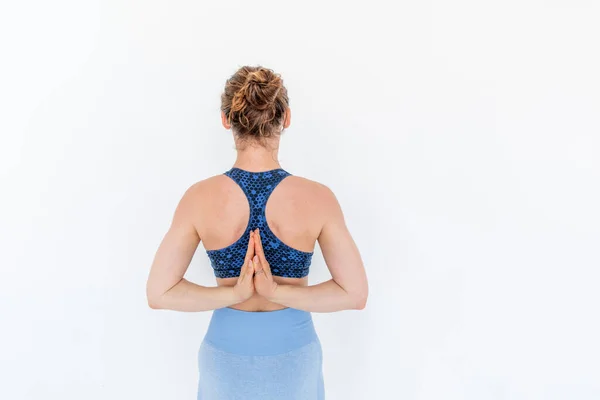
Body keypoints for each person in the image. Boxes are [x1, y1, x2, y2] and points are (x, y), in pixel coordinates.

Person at [146, 65, 368, 400]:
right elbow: (354, 293)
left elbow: (159, 292)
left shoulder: (199, 198)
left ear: (226, 119)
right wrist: (276, 291)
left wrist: (233, 295)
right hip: (294, 352)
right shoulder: (318, 197)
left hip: (226, 352)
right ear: (286, 118)